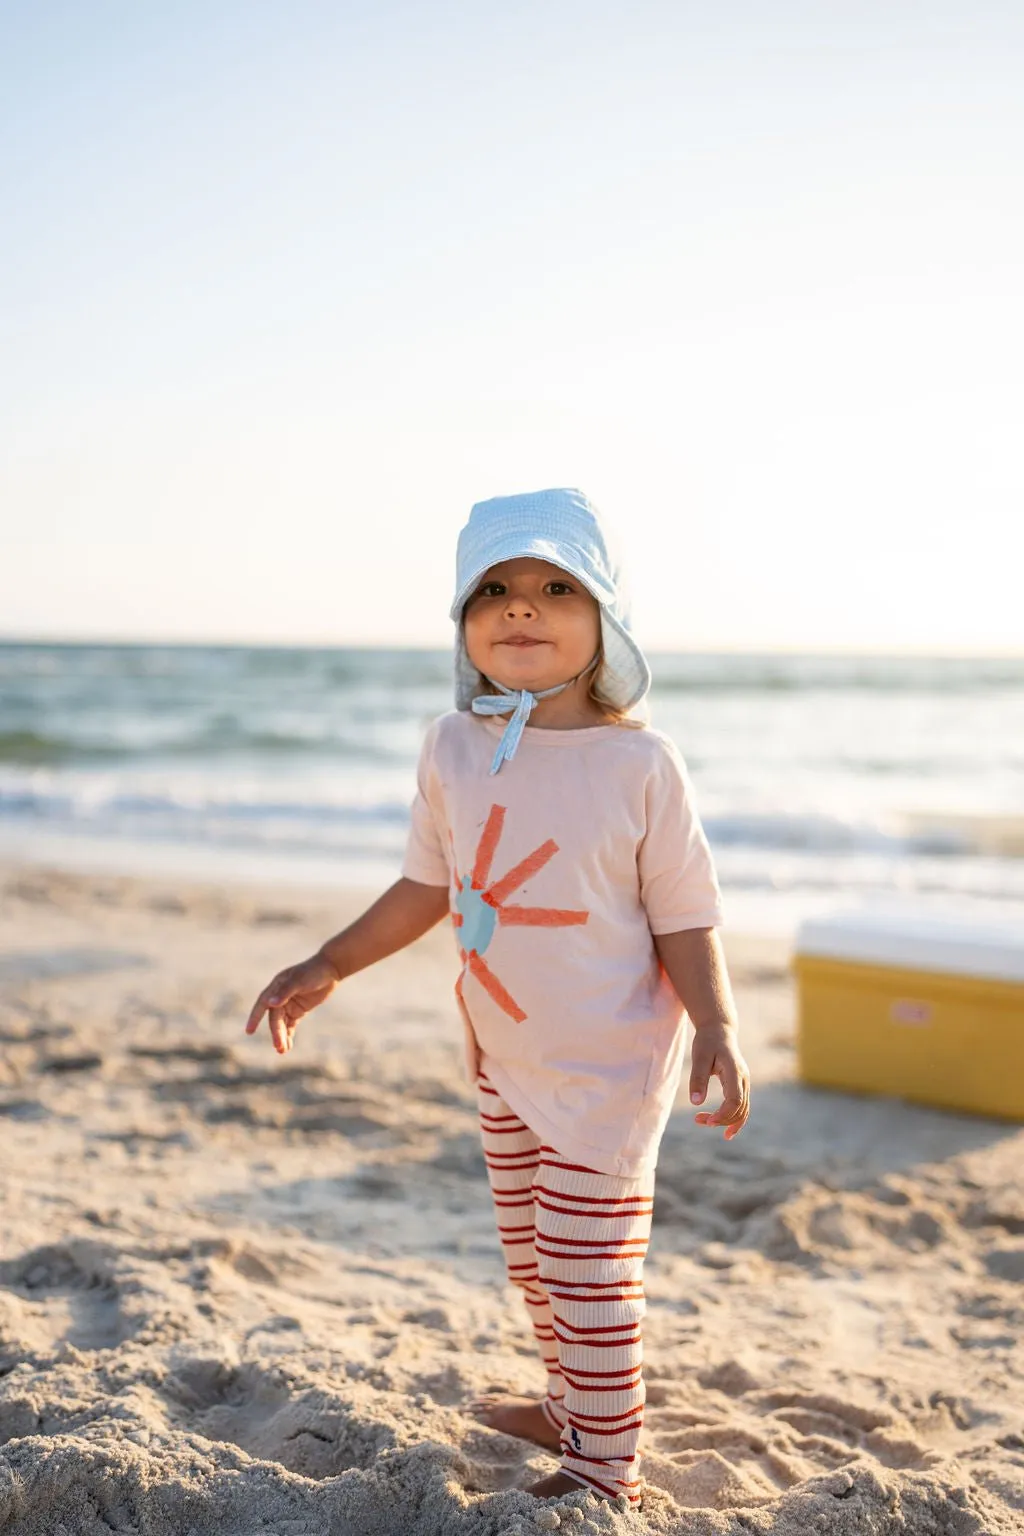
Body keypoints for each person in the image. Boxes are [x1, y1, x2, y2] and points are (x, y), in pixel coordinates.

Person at [244, 487, 751, 1508]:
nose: (521, 608)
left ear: (603, 621)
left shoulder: (641, 763)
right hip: (500, 1055)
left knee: (585, 1267)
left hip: (607, 1066)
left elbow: (685, 913)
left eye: (554, 587)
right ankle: (570, 1401)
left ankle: (607, 1467)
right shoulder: (453, 746)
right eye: (495, 591)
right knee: (530, 1256)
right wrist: (330, 963)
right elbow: (429, 888)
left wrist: (717, 1026)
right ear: (464, 626)